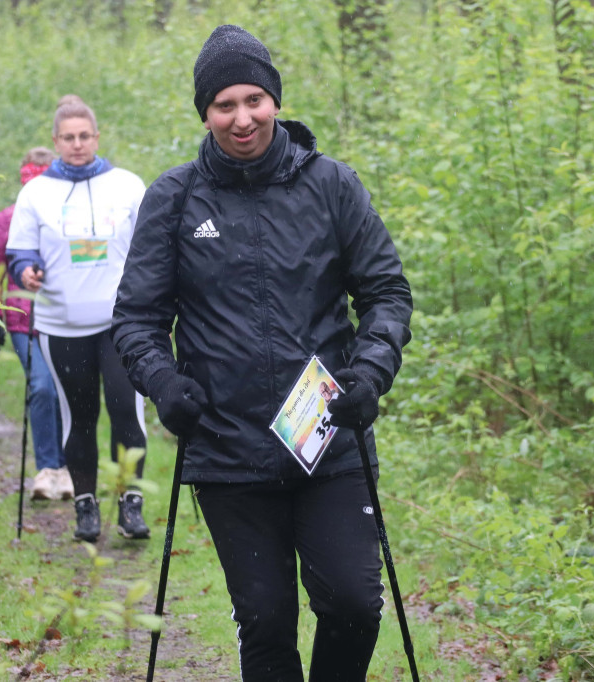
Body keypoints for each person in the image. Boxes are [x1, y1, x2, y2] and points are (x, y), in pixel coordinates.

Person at [111, 25, 413, 682]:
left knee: (355, 604)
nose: (242, 117)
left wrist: (371, 372)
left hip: (328, 436)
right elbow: (135, 318)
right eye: (225, 104)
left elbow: (387, 292)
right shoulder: (175, 199)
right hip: (226, 447)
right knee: (267, 621)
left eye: (254, 99)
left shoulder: (332, 186)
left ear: (275, 99)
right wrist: (163, 383)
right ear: (206, 112)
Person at [6, 95, 151, 542]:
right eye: (68, 138)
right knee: (80, 416)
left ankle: (131, 505)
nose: (77, 144)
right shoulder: (36, 193)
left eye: (84, 136)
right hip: (62, 323)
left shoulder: (128, 186)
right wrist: (25, 271)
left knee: (127, 409)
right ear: (55, 141)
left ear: (97, 137)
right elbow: (19, 251)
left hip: (121, 323)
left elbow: (151, 249)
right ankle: (86, 507)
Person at [0, 146, 71, 502]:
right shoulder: (7, 219)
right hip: (22, 320)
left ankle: (67, 470)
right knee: (43, 386)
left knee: (67, 391)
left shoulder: (72, 218)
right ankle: (48, 469)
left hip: (66, 319)